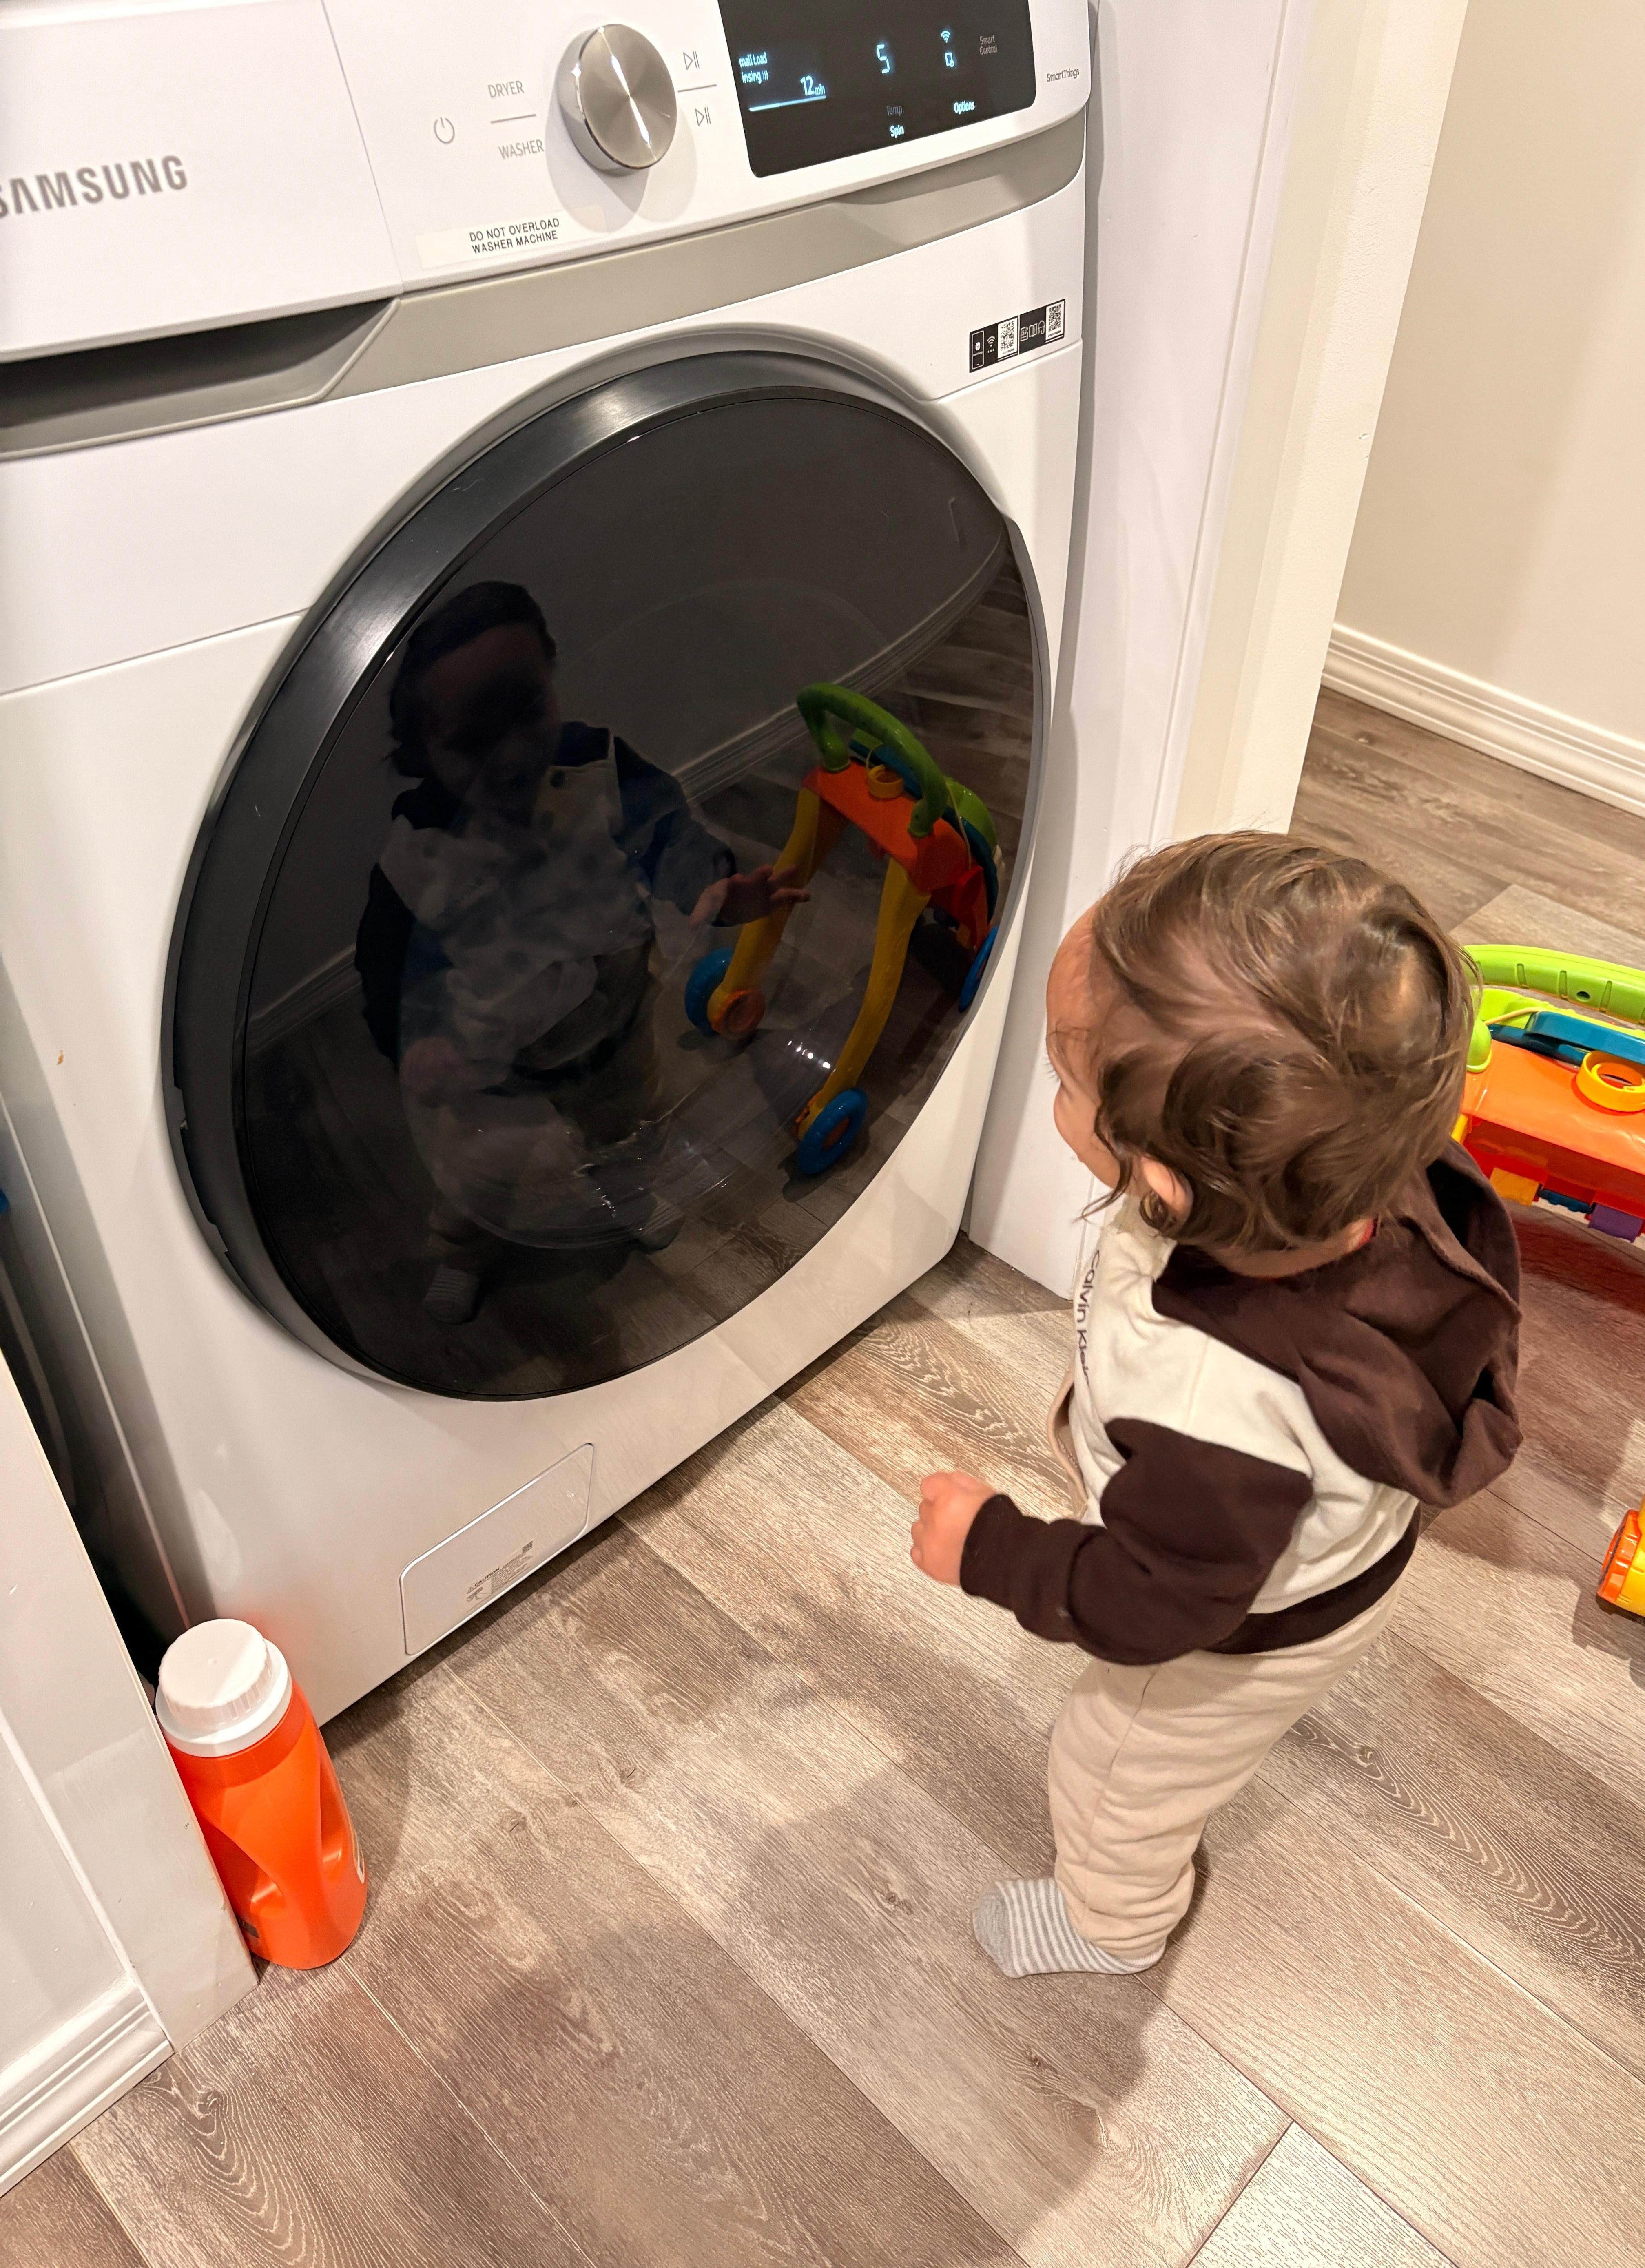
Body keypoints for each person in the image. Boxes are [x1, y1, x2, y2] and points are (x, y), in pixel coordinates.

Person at [908, 834, 1521, 1976]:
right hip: (1316, 1546)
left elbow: (1155, 1608)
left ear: (1165, 1183)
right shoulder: (1361, 1170)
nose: (1058, 1096)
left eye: (1066, 1081)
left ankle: (1109, 1925)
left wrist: (988, 1549)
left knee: (1112, 1775)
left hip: (1232, 1631)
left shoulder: (1212, 1408)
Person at [355, 580, 805, 1324]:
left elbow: (666, 833)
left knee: (630, 1118)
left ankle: (626, 1196)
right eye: (473, 737)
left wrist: (718, 883)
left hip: (618, 1009)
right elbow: (391, 974)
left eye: (526, 711)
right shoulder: (416, 859)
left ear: (552, 679)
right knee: (477, 1170)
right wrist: (416, 1043)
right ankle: (462, 1251)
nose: (510, 753)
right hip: (495, 1056)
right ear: (421, 751)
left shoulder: (598, 766)